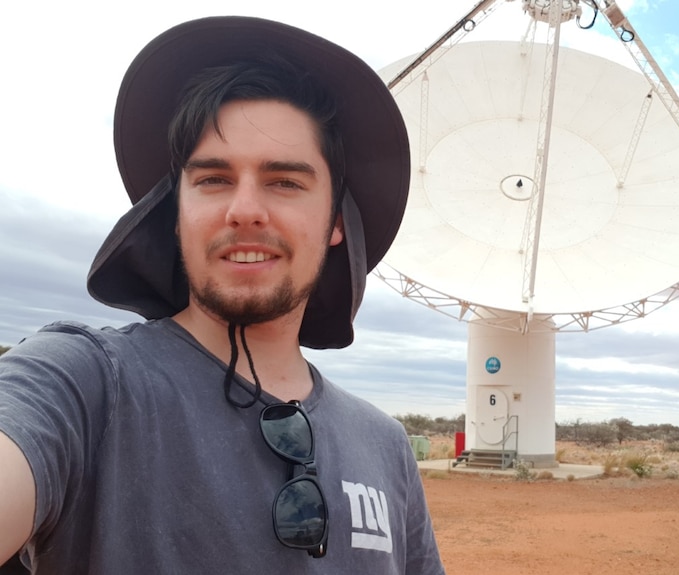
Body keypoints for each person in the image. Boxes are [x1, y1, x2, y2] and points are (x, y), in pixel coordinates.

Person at [0, 16, 445, 574]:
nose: (244, 209)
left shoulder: (385, 447)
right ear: (175, 210)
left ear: (337, 221)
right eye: (213, 179)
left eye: (285, 181)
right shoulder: (84, 384)